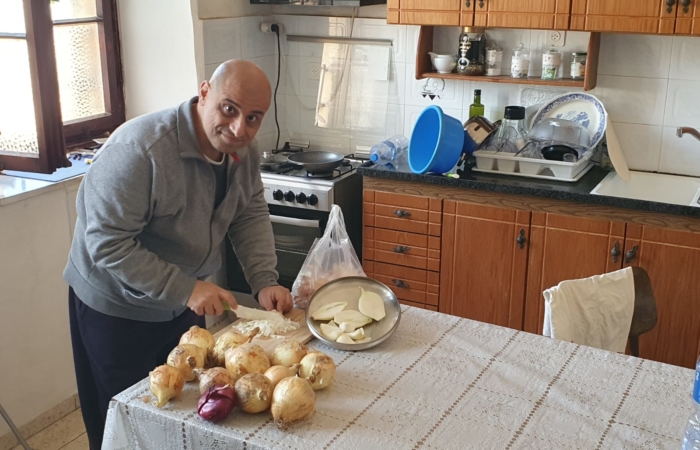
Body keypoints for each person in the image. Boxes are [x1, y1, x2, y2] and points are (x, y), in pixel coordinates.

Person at [63, 60, 292, 449]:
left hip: (181, 306)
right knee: (126, 423)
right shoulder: (140, 150)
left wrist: (264, 278)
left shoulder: (244, 152)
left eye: (253, 118)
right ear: (204, 93)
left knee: (181, 416)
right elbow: (106, 242)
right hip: (117, 311)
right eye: (229, 109)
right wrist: (184, 287)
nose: (240, 129)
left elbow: (248, 212)